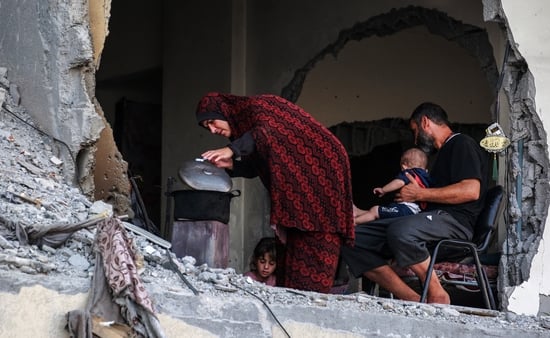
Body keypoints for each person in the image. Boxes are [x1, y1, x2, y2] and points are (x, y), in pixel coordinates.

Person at [195, 92, 354, 293]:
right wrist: (232, 165)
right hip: (296, 201)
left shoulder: (258, 106)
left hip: (320, 186)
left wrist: (232, 150)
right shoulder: (245, 129)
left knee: (313, 261)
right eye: (206, 127)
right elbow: (259, 165)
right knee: (289, 270)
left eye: (212, 121)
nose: (212, 129)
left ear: (224, 111)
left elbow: (267, 131)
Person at [341, 102, 488, 304]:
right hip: (426, 222)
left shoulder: (461, 144)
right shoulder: (440, 155)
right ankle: (413, 298)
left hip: (454, 223)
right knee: (352, 238)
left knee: (402, 230)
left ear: (425, 122)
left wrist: (419, 193)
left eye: (415, 131)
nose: (415, 139)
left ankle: (437, 293)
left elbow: (471, 191)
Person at [353, 147, 431, 224]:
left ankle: (354, 222)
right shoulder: (426, 178)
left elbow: (399, 182)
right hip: (417, 212)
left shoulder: (410, 173)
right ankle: (358, 213)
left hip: (406, 209)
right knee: (383, 212)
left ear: (404, 166)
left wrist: (383, 190)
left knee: (375, 210)